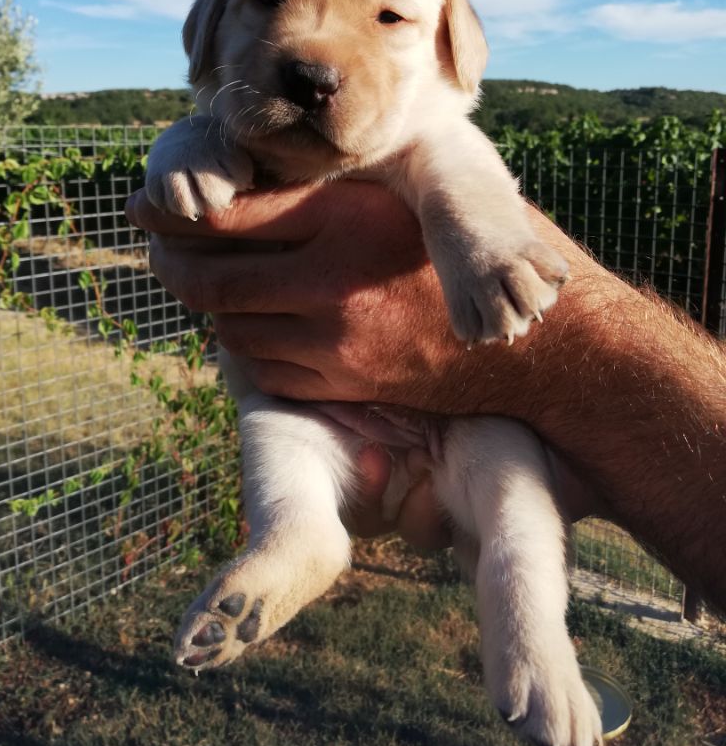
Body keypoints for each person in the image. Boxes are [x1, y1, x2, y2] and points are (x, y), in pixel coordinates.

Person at [125, 180, 726, 614]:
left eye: (390, 18)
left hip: (453, 432)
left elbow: (459, 172)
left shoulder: (429, 135)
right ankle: (297, 537)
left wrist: (547, 349)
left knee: (513, 538)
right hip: (340, 422)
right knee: (275, 423)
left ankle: (538, 646)